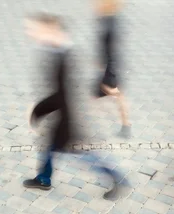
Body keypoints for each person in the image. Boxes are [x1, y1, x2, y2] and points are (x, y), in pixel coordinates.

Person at [22, 14, 126, 200]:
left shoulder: (65, 56)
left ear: (51, 31)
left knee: (83, 155)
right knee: (49, 148)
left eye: (35, 29)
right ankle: (43, 179)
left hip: (70, 120)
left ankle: (116, 177)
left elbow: (62, 95)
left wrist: (37, 111)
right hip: (63, 116)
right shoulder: (56, 51)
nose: (31, 33)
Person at [93, 0, 131, 137]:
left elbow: (110, 51)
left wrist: (110, 73)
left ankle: (125, 126)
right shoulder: (108, 20)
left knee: (115, 95)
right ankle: (126, 125)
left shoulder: (109, 24)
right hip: (110, 68)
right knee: (116, 96)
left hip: (110, 70)